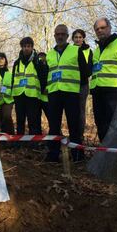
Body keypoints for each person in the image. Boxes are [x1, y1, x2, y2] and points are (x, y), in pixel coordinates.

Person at [44, 24, 89, 162]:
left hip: (71, 93)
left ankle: (77, 155)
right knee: (54, 125)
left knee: (74, 125)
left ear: (67, 36)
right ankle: (53, 154)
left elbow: (85, 72)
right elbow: (46, 73)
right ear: (54, 36)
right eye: (57, 34)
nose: (60, 36)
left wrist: (77, 88)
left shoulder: (76, 50)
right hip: (54, 94)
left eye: (63, 34)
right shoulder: (50, 54)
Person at [91, 17, 117, 142]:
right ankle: (104, 152)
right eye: (97, 29)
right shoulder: (97, 50)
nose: (99, 31)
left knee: (113, 124)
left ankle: (116, 152)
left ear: (109, 28)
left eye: (102, 28)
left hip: (114, 91)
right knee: (100, 124)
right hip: (97, 92)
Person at [11, 37, 47, 135]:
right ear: (21, 48)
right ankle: (19, 143)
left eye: (29, 46)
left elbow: (43, 77)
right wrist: (12, 93)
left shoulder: (38, 61)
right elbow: (13, 78)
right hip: (19, 95)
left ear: (32, 47)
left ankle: (34, 143)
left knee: (34, 120)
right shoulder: (17, 63)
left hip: (33, 96)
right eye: (24, 46)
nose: (26, 48)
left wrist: (43, 90)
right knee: (20, 120)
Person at [72, 29, 93, 140]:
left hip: (83, 84)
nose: (78, 39)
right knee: (71, 110)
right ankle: (72, 134)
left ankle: (80, 135)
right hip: (70, 84)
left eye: (80, 37)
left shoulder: (88, 51)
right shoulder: (69, 50)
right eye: (76, 37)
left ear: (83, 38)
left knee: (81, 111)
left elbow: (89, 68)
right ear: (73, 39)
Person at [0, 52, 15, 135]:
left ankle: (11, 138)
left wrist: (3, 90)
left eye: (2, 58)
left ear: (5, 60)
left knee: (7, 117)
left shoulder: (10, 74)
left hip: (7, 100)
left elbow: (13, 87)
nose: (0, 59)